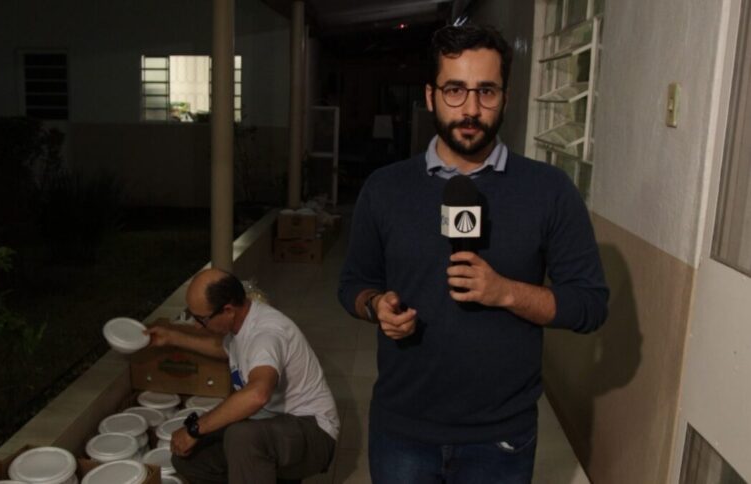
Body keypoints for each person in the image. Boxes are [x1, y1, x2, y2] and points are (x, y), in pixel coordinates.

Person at [338, 23, 609, 483]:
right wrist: (375, 306)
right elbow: (352, 285)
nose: (470, 109)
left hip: (501, 438)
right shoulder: (385, 188)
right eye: (455, 90)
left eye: (486, 91)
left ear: (505, 96)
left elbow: (589, 306)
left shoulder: (549, 191)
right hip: (402, 429)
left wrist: (506, 292)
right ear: (430, 95)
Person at [145, 268, 339, 484]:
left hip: (313, 433)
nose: (195, 325)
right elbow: (224, 349)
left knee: (241, 437)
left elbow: (257, 394)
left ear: (227, 310)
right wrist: (171, 337)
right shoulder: (240, 323)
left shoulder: (266, 334)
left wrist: (195, 429)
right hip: (273, 426)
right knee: (189, 458)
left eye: (201, 319)